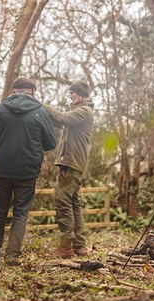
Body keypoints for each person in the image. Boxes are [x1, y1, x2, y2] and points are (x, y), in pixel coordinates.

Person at [0, 77, 57, 266]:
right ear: (33, 90)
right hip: (27, 171)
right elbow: (51, 143)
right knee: (20, 213)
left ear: (13, 89)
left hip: (2, 169)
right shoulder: (40, 112)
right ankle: (12, 255)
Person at [45, 80, 94, 258]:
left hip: (71, 162)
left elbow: (62, 118)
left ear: (80, 94)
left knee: (62, 201)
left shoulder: (83, 111)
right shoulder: (80, 111)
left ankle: (65, 247)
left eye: (72, 92)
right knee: (73, 203)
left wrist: (40, 105)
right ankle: (80, 246)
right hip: (74, 162)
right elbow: (60, 121)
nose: (70, 95)